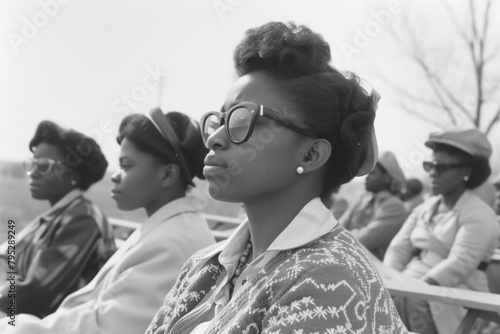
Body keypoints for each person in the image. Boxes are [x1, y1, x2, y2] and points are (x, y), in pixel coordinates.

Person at [145, 22, 407, 334]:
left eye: (244, 120)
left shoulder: (331, 279)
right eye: (221, 119)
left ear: (310, 155)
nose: (214, 137)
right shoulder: (205, 264)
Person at [0, 110, 216, 334]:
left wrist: (12, 326)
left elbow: (103, 327)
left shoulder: (170, 244)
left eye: (126, 165)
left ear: (168, 175)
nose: (115, 175)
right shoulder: (169, 228)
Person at [384, 128, 500, 334]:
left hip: (455, 297)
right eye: (429, 165)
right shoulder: (424, 208)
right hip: (410, 286)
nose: (433, 173)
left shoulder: (479, 214)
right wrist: (387, 281)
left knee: (409, 300)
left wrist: (412, 288)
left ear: (467, 172)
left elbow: (459, 264)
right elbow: (398, 248)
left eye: (442, 167)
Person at [0, 120, 115, 318]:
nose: (32, 174)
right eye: (32, 164)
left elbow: (34, 294)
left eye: (44, 166)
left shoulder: (83, 220)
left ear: (74, 176)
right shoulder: (54, 216)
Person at [340, 151, 407, 260]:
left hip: (368, 263)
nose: (367, 177)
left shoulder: (395, 206)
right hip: (344, 253)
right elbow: (338, 227)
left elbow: (363, 240)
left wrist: (344, 233)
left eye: (373, 173)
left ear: (386, 178)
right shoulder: (362, 198)